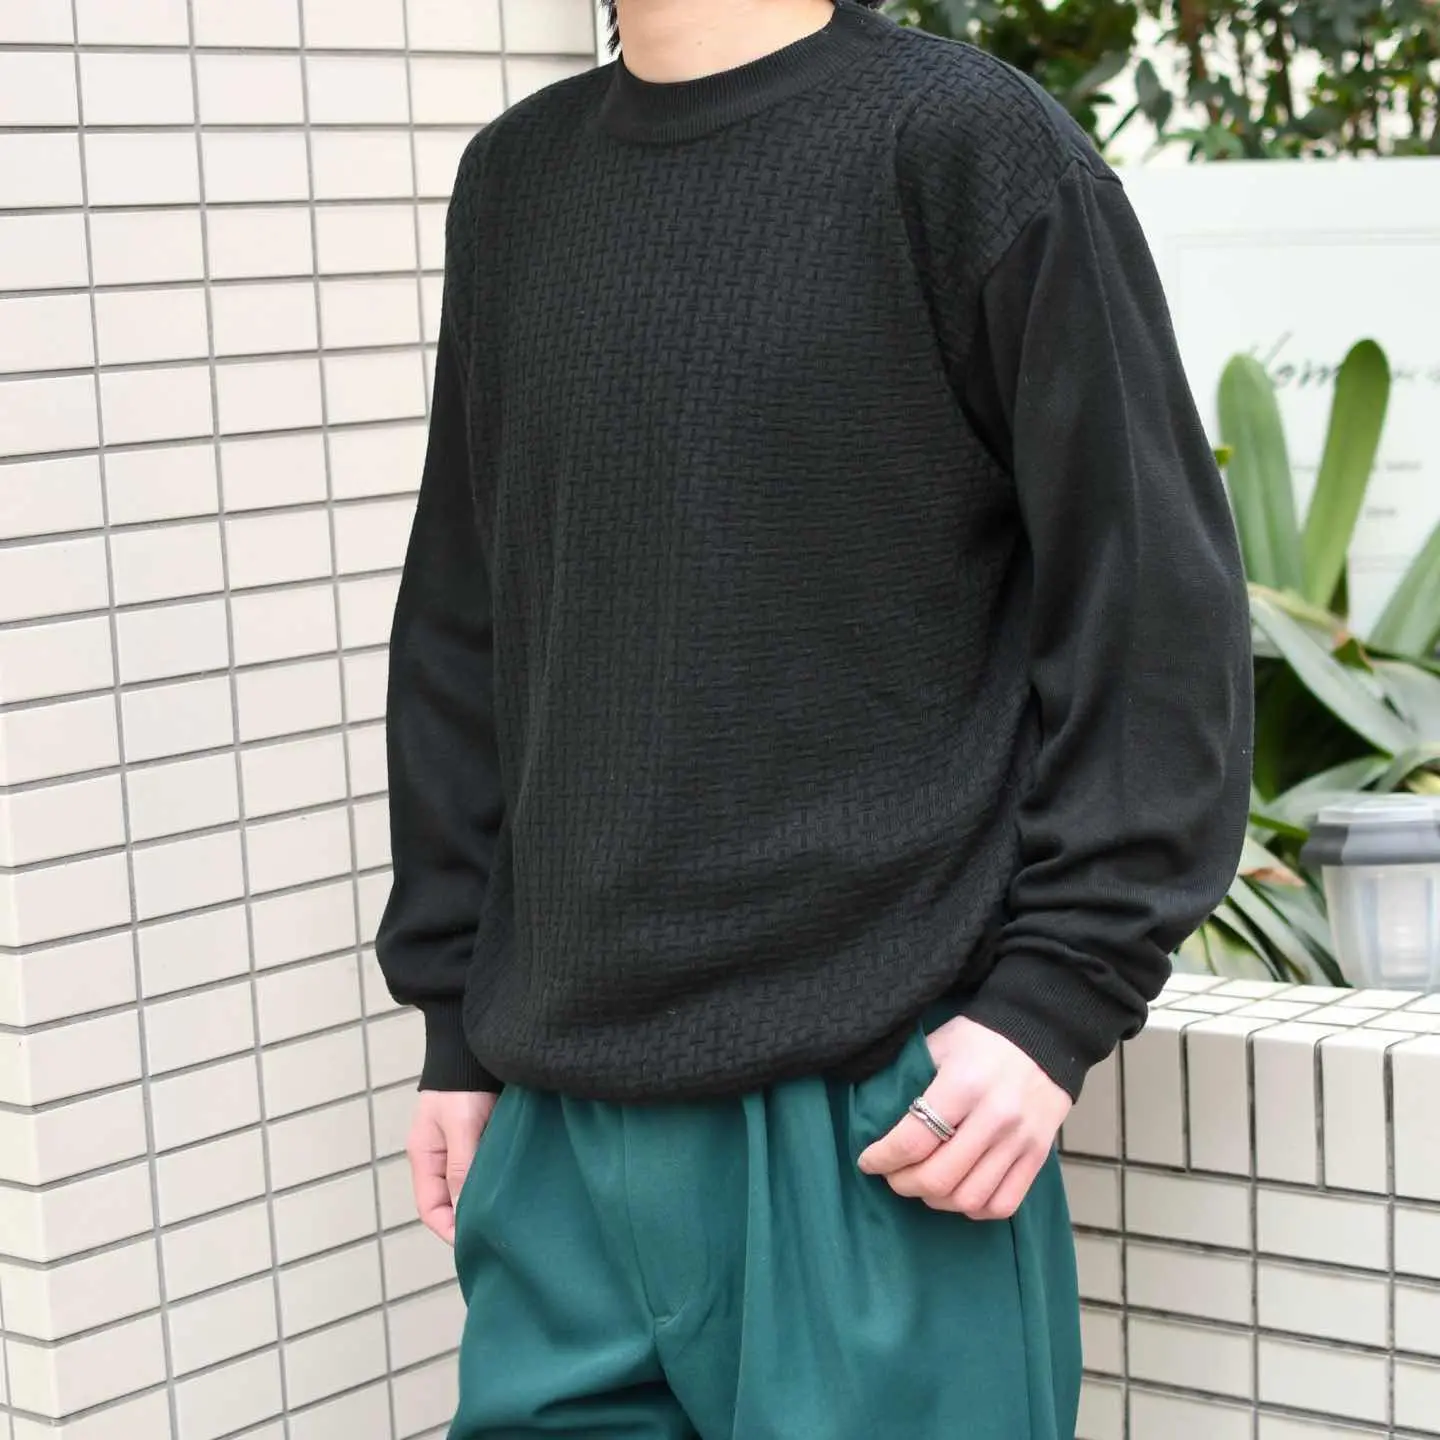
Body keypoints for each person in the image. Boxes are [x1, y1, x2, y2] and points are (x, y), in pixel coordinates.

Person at [375, 0, 1253, 1434]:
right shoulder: (516, 179)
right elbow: (467, 619)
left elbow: (1152, 602)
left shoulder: (963, 148)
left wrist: (1054, 1002)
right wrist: (456, 1021)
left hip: (873, 1124)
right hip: (556, 1133)